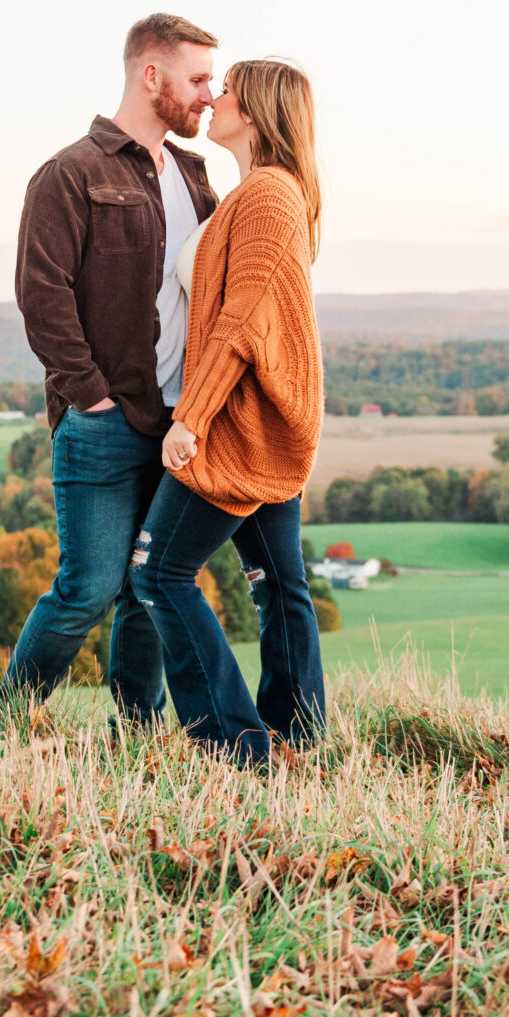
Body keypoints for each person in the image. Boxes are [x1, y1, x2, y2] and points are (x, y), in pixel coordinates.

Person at [2, 13, 221, 727]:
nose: (208, 96)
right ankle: (10, 717)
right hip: (103, 423)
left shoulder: (194, 173)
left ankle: (137, 730)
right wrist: (91, 398)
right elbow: (42, 294)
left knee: (148, 588)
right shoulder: (70, 173)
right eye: (196, 79)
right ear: (149, 75)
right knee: (88, 587)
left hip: (176, 422)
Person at [132, 57, 326, 765]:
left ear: (260, 110)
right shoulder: (253, 194)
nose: (213, 98)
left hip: (239, 425)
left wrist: (191, 417)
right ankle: (296, 735)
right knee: (279, 582)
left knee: (158, 572)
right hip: (258, 419)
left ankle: (235, 743)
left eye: (229, 91)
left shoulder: (269, 197)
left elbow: (242, 321)